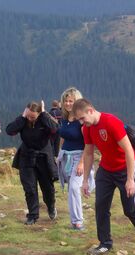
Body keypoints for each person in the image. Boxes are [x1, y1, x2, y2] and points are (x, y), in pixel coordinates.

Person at [73, 98, 135, 255]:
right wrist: (86, 180)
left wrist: (130, 180)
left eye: (82, 118)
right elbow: (88, 153)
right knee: (101, 206)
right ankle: (105, 243)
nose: (82, 122)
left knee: (129, 209)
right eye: (79, 119)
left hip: (124, 169)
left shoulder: (111, 122)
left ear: (90, 111)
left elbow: (129, 150)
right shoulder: (87, 128)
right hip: (106, 170)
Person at [6, 101, 59, 225]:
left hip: (43, 158)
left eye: (33, 117)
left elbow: (55, 129)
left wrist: (45, 114)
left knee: (47, 188)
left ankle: (51, 207)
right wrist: (22, 117)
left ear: (39, 114)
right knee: (29, 188)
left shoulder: (44, 120)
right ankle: (33, 215)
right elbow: (9, 131)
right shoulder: (23, 121)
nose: (30, 118)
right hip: (26, 157)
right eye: (28, 116)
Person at [57, 87, 94, 231]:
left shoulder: (81, 121)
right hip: (66, 156)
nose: (67, 103)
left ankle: (78, 221)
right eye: (65, 101)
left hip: (79, 156)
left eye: (71, 101)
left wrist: (81, 164)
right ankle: (74, 221)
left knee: (73, 187)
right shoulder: (65, 119)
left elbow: (88, 143)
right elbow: (62, 136)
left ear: (77, 101)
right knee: (71, 189)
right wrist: (59, 154)